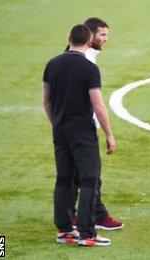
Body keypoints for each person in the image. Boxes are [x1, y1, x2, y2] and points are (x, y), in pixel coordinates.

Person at [43, 24, 115, 246]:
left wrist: (56, 122)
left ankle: (64, 231)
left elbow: (46, 100)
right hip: (83, 132)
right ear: (88, 41)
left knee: (64, 179)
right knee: (88, 180)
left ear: (69, 38)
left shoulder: (52, 64)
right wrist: (109, 134)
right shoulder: (89, 68)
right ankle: (87, 234)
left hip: (60, 130)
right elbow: (98, 106)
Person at [67, 17, 124, 231]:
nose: (106, 39)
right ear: (90, 37)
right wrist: (109, 134)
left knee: (73, 175)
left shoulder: (70, 56)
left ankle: (70, 218)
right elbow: (97, 104)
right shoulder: (87, 61)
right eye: (102, 35)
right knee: (90, 175)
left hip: (68, 125)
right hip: (82, 127)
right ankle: (93, 218)